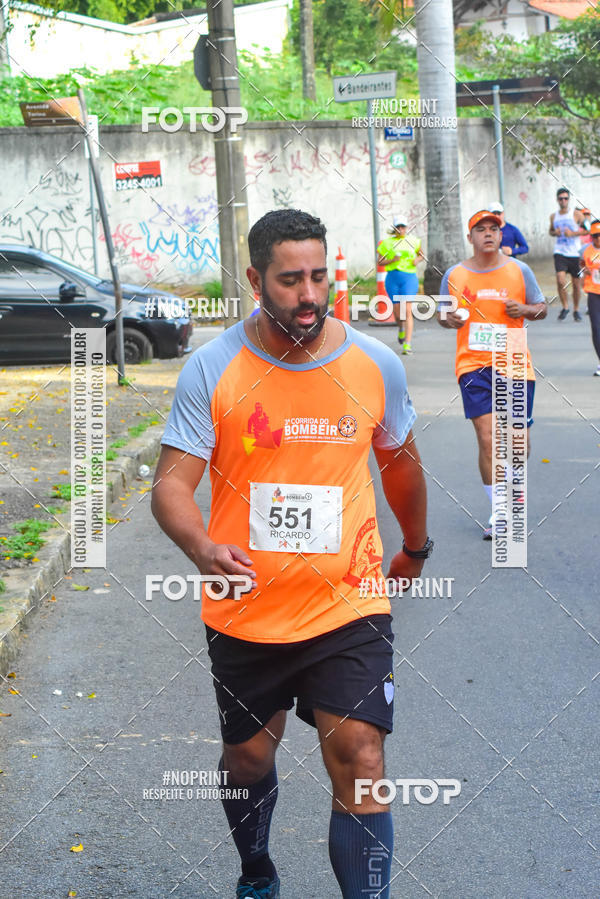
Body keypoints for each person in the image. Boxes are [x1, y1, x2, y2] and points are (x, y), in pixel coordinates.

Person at [152, 209, 431, 899]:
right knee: (248, 758)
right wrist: (200, 544)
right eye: (289, 279)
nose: (309, 293)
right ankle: (256, 868)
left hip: (349, 602)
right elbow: (171, 485)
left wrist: (416, 545)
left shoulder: (375, 363)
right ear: (254, 280)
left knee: (361, 756)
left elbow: (400, 466)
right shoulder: (214, 367)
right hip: (245, 609)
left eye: (319, 275)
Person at [438, 210, 547, 540]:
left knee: (517, 443)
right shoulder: (454, 275)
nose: (488, 234)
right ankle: (500, 511)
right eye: (480, 229)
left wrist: (525, 310)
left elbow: (541, 307)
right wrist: (449, 320)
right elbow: (442, 314)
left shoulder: (519, 270)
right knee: (488, 439)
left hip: (513, 360)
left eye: (493, 229)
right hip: (473, 364)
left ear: (502, 236)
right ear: (470, 237)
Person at [377, 216, 424, 355]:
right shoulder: (386, 243)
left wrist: (417, 259)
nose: (401, 229)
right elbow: (380, 262)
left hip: (409, 278)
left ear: (407, 228)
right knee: (398, 312)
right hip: (393, 278)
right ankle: (401, 329)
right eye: (399, 227)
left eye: (403, 227)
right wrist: (392, 260)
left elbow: (421, 255)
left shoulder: (413, 241)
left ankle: (407, 345)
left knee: (407, 310)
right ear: (395, 228)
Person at [549, 187, 584, 321]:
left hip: (575, 253)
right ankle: (565, 307)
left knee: (576, 284)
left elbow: (587, 231)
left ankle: (576, 309)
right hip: (560, 252)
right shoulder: (554, 216)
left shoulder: (576, 215)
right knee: (560, 280)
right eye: (561, 198)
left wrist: (573, 233)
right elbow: (550, 231)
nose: (563, 201)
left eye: (565, 198)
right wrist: (555, 233)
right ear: (557, 200)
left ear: (568, 200)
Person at [579, 220, 600, 376]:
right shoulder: (585, 251)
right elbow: (580, 265)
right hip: (593, 293)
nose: (598, 239)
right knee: (596, 329)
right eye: (595, 236)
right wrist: (583, 270)